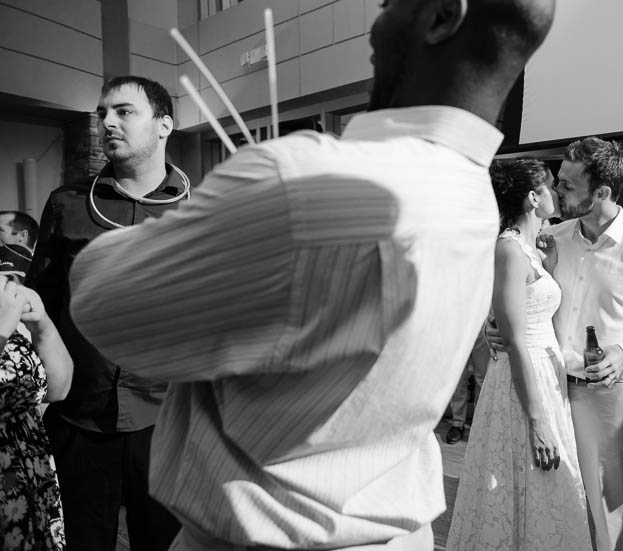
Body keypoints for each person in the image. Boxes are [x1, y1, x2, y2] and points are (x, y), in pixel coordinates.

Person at [67, 1, 558, 549]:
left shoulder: (304, 176)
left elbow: (99, 301)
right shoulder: (474, 199)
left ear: (444, 14)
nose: (375, 25)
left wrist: (213, 215)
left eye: (389, 5)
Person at [487, 137, 623, 551]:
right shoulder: (552, 238)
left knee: (609, 518)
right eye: (558, 182)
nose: (557, 190)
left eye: (567, 184)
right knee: (558, 508)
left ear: (601, 192)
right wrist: (500, 328)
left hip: (608, 399)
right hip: (550, 393)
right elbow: (519, 300)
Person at [26, 75, 186, 551]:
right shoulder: (67, 205)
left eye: (124, 111)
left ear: (164, 126)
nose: (107, 123)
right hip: (79, 416)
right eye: (103, 113)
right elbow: (43, 305)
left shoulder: (201, 211)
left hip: (166, 421)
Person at [447, 157, 590, 550]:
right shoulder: (509, 249)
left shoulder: (532, 250)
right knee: (520, 474)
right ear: (532, 197)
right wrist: (538, 419)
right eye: (550, 186)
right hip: (522, 381)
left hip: (545, 373)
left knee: (541, 481)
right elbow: (515, 339)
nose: (557, 193)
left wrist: (553, 265)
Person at [1, 248, 73, 551]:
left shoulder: (5, 290)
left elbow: (59, 389)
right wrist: (4, 325)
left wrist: (41, 324)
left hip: (30, 464)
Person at [444, 333, 488, 445]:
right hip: (459, 324)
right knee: (457, 378)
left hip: (483, 324)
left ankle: (480, 425)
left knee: (482, 379)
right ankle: (458, 423)